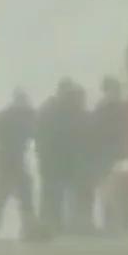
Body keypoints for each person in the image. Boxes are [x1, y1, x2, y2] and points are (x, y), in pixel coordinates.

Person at [0, 89, 37, 243]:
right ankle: (24, 229)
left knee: (7, 194)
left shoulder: (6, 116)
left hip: (6, 158)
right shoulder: (26, 116)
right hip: (8, 158)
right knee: (14, 194)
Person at [36, 79, 89, 236]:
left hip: (62, 161)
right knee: (53, 196)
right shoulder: (53, 110)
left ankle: (57, 227)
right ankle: (51, 227)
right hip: (56, 161)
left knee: (57, 195)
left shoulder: (57, 109)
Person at [90, 76, 128, 232]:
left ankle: (114, 225)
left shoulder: (103, 109)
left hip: (111, 156)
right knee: (111, 193)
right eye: (115, 88)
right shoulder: (111, 109)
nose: (118, 92)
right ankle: (115, 225)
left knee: (113, 193)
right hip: (110, 157)